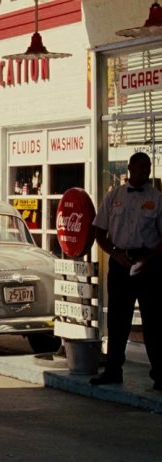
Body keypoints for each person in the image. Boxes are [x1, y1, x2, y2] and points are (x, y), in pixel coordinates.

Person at [91, 152, 162, 390]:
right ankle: (113, 370)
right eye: (142, 166)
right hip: (120, 262)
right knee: (117, 320)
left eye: (149, 167)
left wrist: (149, 259)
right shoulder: (114, 196)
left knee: (153, 320)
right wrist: (115, 253)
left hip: (148, 264)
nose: (146, 170)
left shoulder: (157, 198)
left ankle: (159, 374)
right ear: (130, 167)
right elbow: (99, 231)